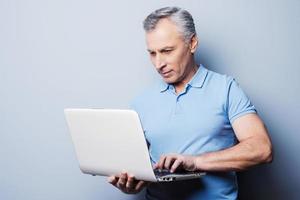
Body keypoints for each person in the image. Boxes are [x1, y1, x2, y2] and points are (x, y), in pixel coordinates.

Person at [107, 6, 273, 199]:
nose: (158, 63)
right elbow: (137, 168)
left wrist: (194, 162)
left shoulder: (225, 89)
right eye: (152, 53)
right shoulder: (140, 102)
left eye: (167, 51)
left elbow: (262, 149)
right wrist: (130, 184)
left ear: (192, 43)